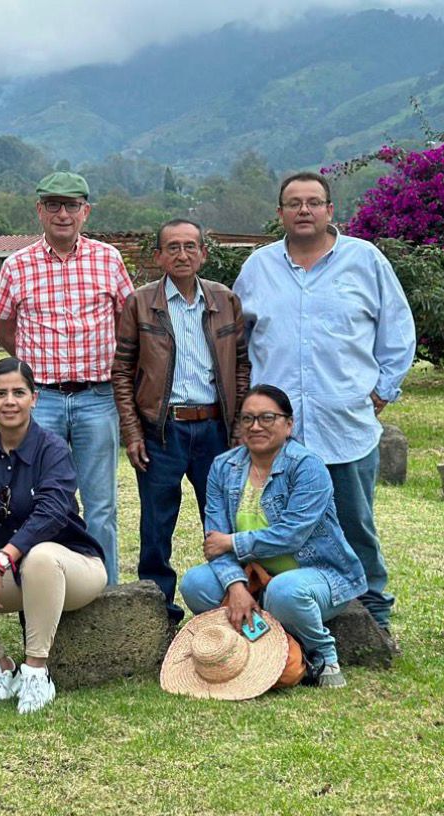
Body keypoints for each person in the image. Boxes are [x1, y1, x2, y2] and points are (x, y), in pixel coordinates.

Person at [234, 171, 415, 633]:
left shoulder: (365, 261)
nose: (304, 210)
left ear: (331, 210)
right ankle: (287, 617)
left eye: (314, 202)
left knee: (355, 524)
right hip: (276, 435)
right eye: (293, 203)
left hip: (345, 425)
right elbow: (237, 341)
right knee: (279, 528)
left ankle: (373, 616)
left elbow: (397, 332)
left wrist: (381, 390)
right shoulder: (258, 267)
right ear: (280, 214)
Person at [0, 357, 106, 714]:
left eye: (18, 392)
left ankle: (36, 672)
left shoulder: (53, 449)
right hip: (14, 574)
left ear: (34, 398)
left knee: (40, 555)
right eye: (0, 393)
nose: (9, 401)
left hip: (73, 568)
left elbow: (51, 514)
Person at [0, 171, 134, 584]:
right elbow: (6, 331)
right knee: (39, 499)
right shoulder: (16, 265)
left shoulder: (109, 259)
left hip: (97, 397)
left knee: (101, 503)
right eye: (53, 204)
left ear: (85, 211)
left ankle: (105, 593)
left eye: (72, 205)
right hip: (44, 400)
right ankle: (46, 588)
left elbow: (126, 321)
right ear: (39, 210)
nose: (63, 213)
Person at [178, 385, 368, 688]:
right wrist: (235, 586)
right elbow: (214, 541)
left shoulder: (308, 467)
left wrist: (232, 542)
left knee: (285, 592)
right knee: (195, 584)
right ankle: (248, 646)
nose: (255, 426)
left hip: (317, 574)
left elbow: (291, 535)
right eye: (247, 419)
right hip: (252, 575)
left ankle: (322, 653)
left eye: (267, 418)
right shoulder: (223, 466)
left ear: (288, 424)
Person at [111, 218, 250, 624]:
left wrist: (238, 426)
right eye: (172, 247)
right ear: (158, 256)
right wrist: (133, 431)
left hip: (215, 430)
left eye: (191, 246)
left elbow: (241, 365)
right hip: (162, 430)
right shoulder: (140, 302)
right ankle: (157, 615)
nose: (182, 254)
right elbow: (121, 371)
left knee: (223, 520)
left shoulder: (225, 300)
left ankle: (232, 603)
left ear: (204, 253)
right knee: (156, 527)